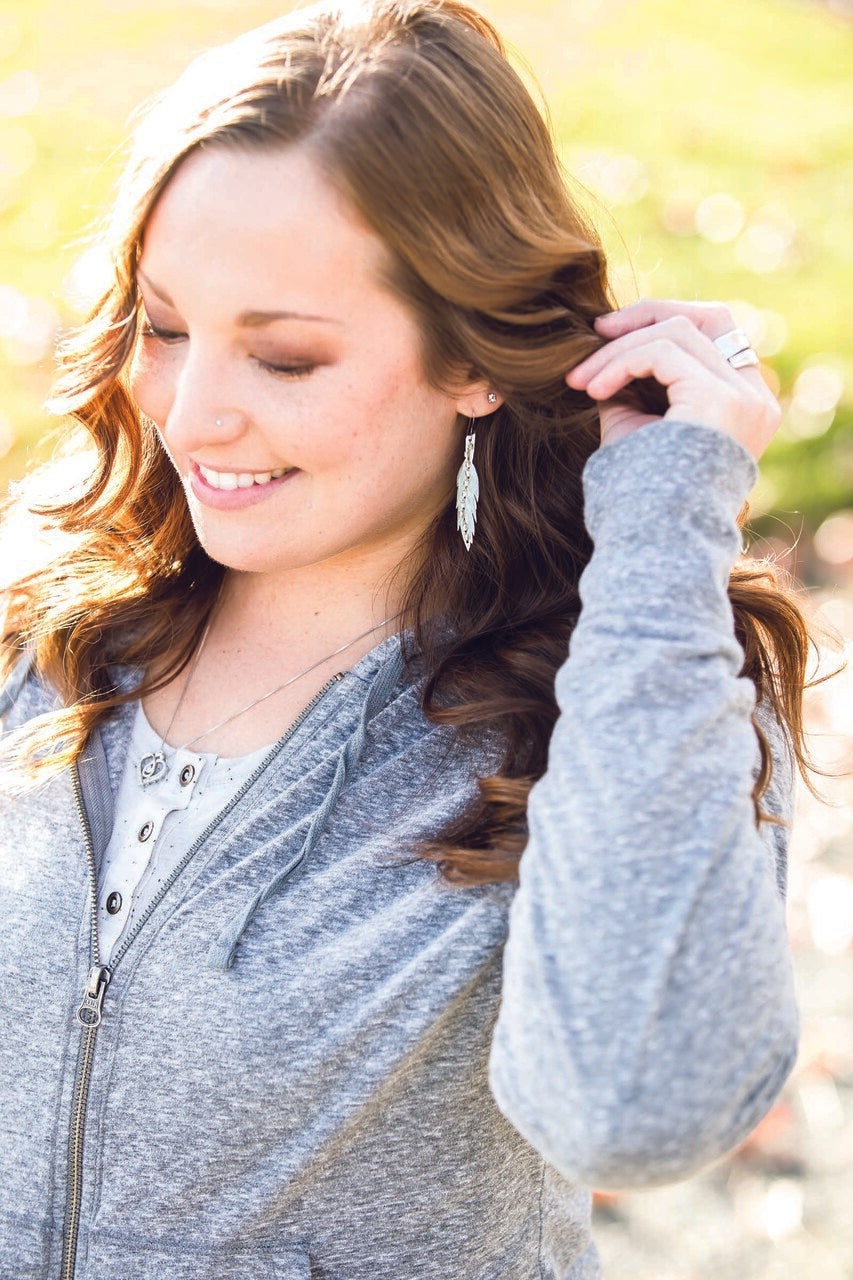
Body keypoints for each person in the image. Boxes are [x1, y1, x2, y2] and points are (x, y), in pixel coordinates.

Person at [0, 1, 811, 1276]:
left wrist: (663, 532)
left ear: (474, 359)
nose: (191, 412)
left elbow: (635, 1107)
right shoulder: (47, 633)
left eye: (285, 357)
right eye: (163, 328)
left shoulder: (618, 684)